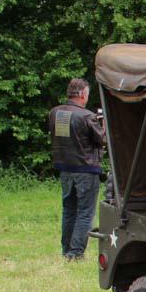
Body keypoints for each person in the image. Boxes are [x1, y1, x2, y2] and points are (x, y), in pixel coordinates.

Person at [49, 78, 105, 261]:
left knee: (69, 210)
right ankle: (75, 253)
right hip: (86, 169)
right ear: (82, 94)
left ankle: (66, 250)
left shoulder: (55, 112)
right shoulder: (87, 116)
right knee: (85, 212)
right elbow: (102, 139)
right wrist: (103, 124)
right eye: (87, 94)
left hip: (65, 168)